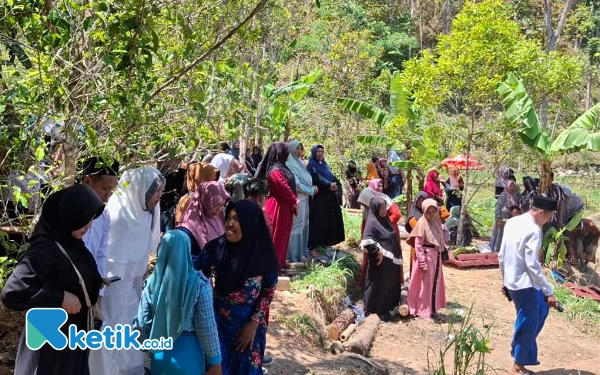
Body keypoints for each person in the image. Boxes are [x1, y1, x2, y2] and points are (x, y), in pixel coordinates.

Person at [2, 184, 105, 375]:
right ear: (68, 216)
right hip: (50, 338)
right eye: (83, 220)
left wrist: (93, 300)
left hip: (74, 338)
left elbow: (80, 276)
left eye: (91, 220)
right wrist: (59, 298)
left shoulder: (75, 246)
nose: (88, 227)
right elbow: (12, 293)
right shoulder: (45, 249)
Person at [89, 167, 165, 375]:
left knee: (128, 325)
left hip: (132, 285)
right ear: (141, 191)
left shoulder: (147, 214)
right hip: (110, 284)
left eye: (160, 191)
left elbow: (145, 251)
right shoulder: (114, 213)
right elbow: (101, 252)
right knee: (108, 327)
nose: (159, 197)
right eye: (155, 191)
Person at [195, 200, 279, 375]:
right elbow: (195, 276)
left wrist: (254, 323)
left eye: (236, 219)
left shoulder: (264, 254)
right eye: (228, 218)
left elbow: (268, 290)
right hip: (218, 326)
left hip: (249, 330)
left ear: (249, 223)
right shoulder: (216, 249)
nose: (229, 224)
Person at [134, 230, 222, 375]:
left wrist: (146, 345)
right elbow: (207, 328)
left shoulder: (151, 283)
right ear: (187, 250)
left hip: (160, 355)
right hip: (190, 355)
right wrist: (215, 361)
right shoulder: (199, 284)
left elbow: (142, 322)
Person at [498, 196, 560, 375]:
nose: (547, 221)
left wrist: (505, 279)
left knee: (541, 310)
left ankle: (519, 353)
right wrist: (548, 290)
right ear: (541, 212)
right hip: (526, 284)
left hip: (513, 281)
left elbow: (501, 254)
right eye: (548, 217)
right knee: (528, 323)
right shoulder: (533, 230)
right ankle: (517, 366)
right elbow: (532, 264)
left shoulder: (512, 222)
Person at [79, 157, 119, 317]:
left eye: (112, 190)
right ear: (88, 181)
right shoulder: (61, 209)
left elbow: (100, 255)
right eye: (105, 189)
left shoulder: (103, 214)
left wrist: (98, 295)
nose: (108, 196)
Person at [256, 142, 299, 270]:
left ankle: (278, 264)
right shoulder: (275, 171)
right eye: (286, 151)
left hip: (284, 207)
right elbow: (283, 188)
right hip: (277, 208)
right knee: (276, 237)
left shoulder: (282, 167)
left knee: (283, 236)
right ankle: (271, 268)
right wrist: (294, 200)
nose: (289, 153)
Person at [406, 198, 448, 321]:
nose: (431, 214)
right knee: (425, 285)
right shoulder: (421, 223)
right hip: (426, 256)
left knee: (434, 283)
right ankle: (423, 310)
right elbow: (418, 245)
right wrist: (422, 261)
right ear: (424, 211)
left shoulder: (436, 223)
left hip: (436, 257)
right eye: (428, 212)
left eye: (434, 211)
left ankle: (433, 308)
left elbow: (441, 239)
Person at [360, 197, 402, 318]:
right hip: (379, 263)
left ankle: (386, 309)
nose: (384, 210)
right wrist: (378, 251)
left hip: (390, 262)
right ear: (375, 208)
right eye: (381, 208)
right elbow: (367, 240)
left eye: (385, 207)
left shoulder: (385, 220)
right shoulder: (372, 222)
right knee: (378, 285)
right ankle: (374, 310)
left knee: (388, 284)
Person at [306, 145, 345, 250]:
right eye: (318, 151)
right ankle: (314, 244)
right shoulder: (311, 165)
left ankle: (324, 241)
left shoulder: (325, 165)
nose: (320, 153)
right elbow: (314, 179)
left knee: (327, 219)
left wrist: (335, 184)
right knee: (317, 219)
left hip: (328, 196)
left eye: (321, 151)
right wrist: (328, 185)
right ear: (314, 152)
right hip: (318, 197)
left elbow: (331, 177)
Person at [178, 181, 230, 256]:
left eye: (222, 205)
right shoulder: (187, 229)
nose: (218, 210)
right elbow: (186, 258)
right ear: (205, 201)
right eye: (215, 205)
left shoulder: (219, 219)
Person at [287, 141, 316, 262]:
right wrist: (311, 190)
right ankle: (293, 256)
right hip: (298, 199)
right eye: (297, 149)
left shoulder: (299, 163)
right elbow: (297, 184)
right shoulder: (289, 164)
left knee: (303, 225)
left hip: (305, 199)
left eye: (301, 149)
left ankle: (301, 252)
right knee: (296, 227)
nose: (299, 151)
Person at [174, 162, 220, 226]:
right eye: (210, 181)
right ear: (200, 180)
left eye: (215, 181)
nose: (214, 184)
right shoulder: (187, 201)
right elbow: (181, 228)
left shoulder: (210, 199)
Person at [490, 180, 521, 253]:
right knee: (501, 233)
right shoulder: (504, 195)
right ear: (507, 187)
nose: (512, 188)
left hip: (512, 217)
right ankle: (497, 250)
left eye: (513, 186)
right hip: (503, 216)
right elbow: (498, 207)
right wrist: (499, 218)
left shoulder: (516, 196)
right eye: (510, 186)